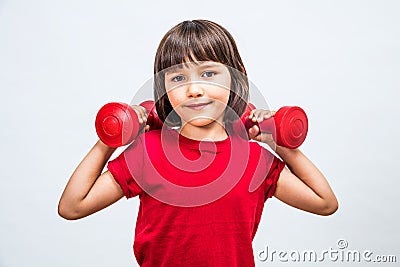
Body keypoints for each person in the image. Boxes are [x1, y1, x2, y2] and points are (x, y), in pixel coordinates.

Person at [58, 19, 338, 267]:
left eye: (208, 73)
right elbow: (72, 207)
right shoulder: (148, 151)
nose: (194, 90)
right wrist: (111, 139)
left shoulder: (254, 159)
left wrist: (279, 142)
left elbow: (324, 202)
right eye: (178, 78)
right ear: (164, 87)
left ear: (236, 75)